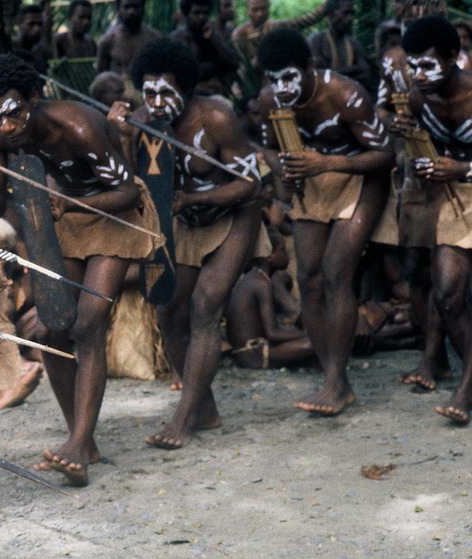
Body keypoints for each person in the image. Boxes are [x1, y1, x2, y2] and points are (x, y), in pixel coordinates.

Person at [0, 54, 155, 485]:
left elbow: (128, 192)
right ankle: (82, 437)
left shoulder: (78, 125)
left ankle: (77, 445)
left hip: (114, 214)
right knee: (52, 328)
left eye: (15, 113)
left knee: (88, 322)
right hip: (67, 218)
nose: (6, 126)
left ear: (35, 98)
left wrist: (73, 203)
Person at [109, 38, 262, 448]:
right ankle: (205, 408)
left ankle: (182, 419)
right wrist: (122, 137)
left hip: (234, 216)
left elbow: (251, 184)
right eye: (149, 91)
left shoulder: (217, 118)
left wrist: (194, 199)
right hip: (185, 220)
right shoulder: (141, 122)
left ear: (187, 89)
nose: (157, 102)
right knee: (168, 311)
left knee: (206, 304)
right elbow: (129, 186)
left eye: (166, 92)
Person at [257, 28, 394, 415]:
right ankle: (334, 376)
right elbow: (268, 146)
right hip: (314, 181)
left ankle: (335, 381)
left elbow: (385, 156)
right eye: (272, 78)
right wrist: (279, 164)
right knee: (309, 279)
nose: (281, 88)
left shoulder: (345, 95)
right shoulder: (270, 101)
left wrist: (327, 163)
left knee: (336, 272)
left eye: (289, 77)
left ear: (309, 67)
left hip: (361, 176)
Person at [392, 17, 472, 422]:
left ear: (454, 57)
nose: (418, 75)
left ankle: (466, 386)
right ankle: (448, 367)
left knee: (449, 290)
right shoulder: (419, 99)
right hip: (445, 195)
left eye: (427, 66)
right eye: (413, 65)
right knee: (444, 291)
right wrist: (406, 132)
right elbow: (426, 151)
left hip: (466, 187)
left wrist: (461, 170)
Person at [226, 227, 315, 369]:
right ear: (269, 256)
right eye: (283, 250)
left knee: (313, 343)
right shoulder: (262, 284)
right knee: (315, 343)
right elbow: (273, 333)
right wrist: (310, 334)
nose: (287, 256)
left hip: (249, 353)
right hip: (254, 356)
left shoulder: (255, 277)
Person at [231, 0, 327, 95]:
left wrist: (327, 6)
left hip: (279, 80)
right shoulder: (239, 34)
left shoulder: (275, 26)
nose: (260, 14)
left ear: (268, 8)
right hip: (250, 86)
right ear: (248, 10)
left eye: (263, 9)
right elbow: (246, 66)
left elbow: (304, 21)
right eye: (255, 10)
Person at [170, 0, 240, 98]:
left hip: (217, 94)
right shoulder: (178, 38)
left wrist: (214, 39)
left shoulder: (214, 33)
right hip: (189, 95)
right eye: (196, 13)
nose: (202, 17)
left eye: (205, 13)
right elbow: (186, 74)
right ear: (186, 15)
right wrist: (218, 64)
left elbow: (235, 63)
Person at [308, 0, 370, 87]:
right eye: (346, 13)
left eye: (352, 13)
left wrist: (332, 72)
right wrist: (354, 70)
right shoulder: (317, 41)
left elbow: (365, 76)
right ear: (331, 15)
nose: (350, 18)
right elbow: (316, 77)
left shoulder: (355, 44)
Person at [97, 0, 159, 75]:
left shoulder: (154, 38)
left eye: (135, 7)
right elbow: (101, 76)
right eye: (126, 7)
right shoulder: (108, 41)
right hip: (119, 85)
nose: (131, 12)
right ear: (118, 9)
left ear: (143, 8)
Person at [12, 3, 52, 74]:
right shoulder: (10, 49)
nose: (37, 29)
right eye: (31, 24)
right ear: (20, 24)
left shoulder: (41, 52)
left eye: (40, 24)